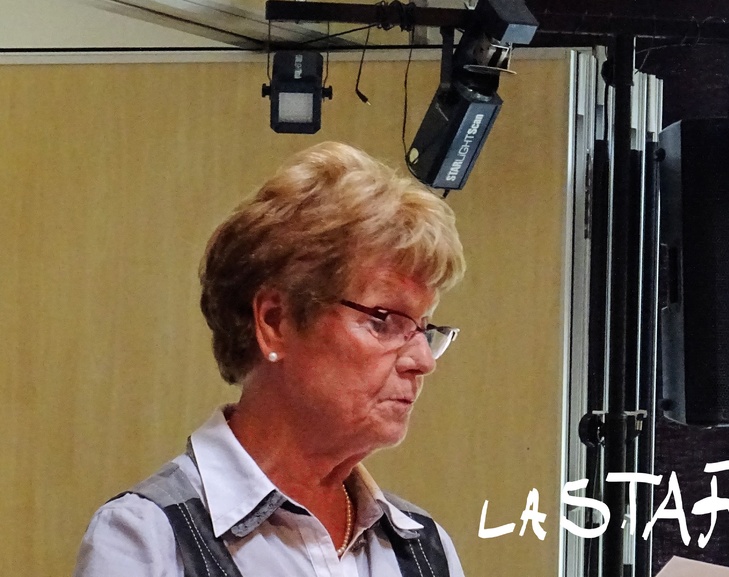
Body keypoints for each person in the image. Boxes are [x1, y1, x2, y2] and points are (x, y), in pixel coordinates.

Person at [73, 141, 467, 577]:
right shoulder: (145, 539)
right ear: (275, 321)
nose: (422, 360)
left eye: (424, 328)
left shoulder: (426, 550)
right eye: (383, 320)